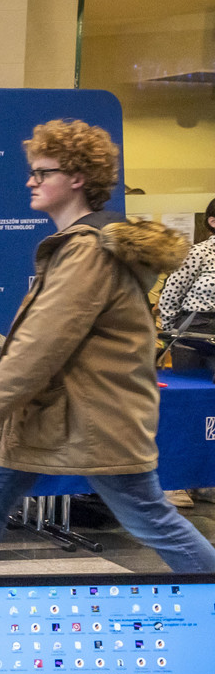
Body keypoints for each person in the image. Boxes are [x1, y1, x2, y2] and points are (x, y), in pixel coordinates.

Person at [0, 119, 215, 621]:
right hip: (61, 411)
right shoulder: (84, 243)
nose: (30, 181)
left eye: (42, 172)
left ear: (77, 178)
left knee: (148, 515)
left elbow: (45, 339)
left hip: (96, 414)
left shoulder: (86, 250)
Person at [156, 197, 215, 507]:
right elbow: (171, 294)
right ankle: (176, 483)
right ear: (212, 222)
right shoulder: (199, 253)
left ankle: (207, 480)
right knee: (186, 407)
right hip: (194, 332)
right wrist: (172, 333)